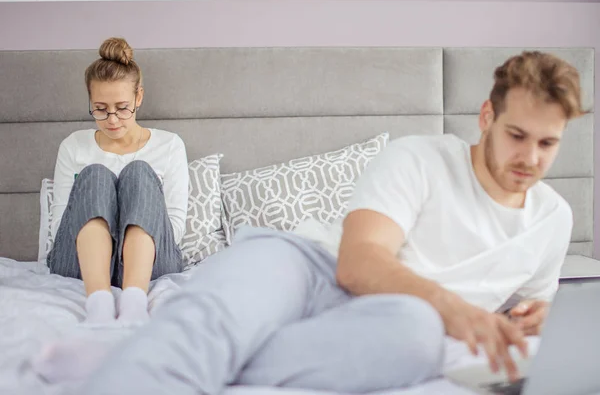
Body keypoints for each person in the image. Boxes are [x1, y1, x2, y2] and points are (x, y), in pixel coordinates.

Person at [40, 50, 583, 394]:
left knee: (418, 337)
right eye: (517, 135)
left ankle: (142, 351)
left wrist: (536, 318)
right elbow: (358, 262)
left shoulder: (553, 219)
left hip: (399, 312)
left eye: (548, 144)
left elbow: (528, 304)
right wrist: (456, 308)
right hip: (311, 264)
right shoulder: (420, 157)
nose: (530, 158)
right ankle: (154, 357)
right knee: (239, 298)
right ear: (487, 117)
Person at [46, 37, 189, 325]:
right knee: (95, 174)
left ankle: (134, 303)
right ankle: (98, 304)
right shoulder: (73, 146)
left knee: (138, 171)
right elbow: (61, 221)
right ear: (89, 101)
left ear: (139, 98)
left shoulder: (170, 145)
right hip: (79, 262)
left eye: (122, 107)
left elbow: (172, 226)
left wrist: (125, 242)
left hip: (149, 261)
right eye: (100, 108)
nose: (112, 119)